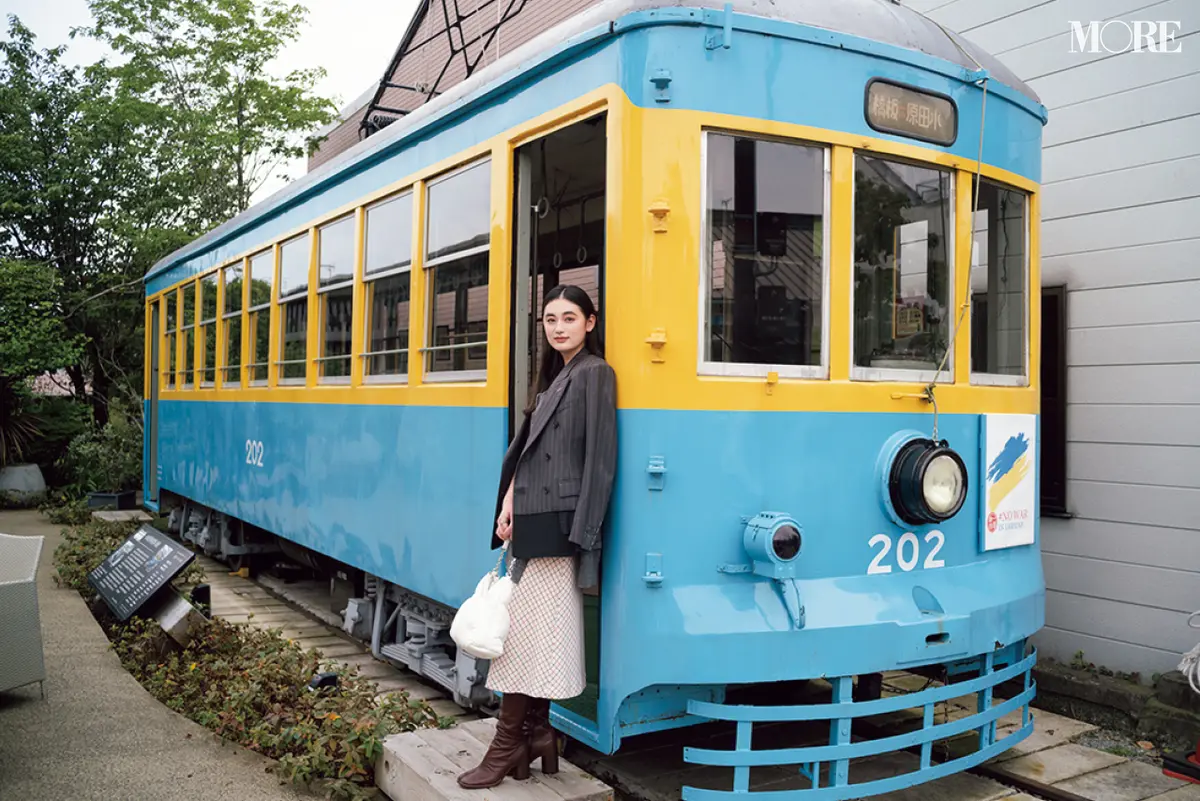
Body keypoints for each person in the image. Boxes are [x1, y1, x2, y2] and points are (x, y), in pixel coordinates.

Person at [457, 284, 617, 789]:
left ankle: (507, 746)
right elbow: (529, 455)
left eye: (569, 318)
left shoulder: (595, 374)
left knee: (519, 637)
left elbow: (600, 464)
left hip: (557, 531)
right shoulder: (555, 376)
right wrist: (508, 503)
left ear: (590, 323)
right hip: (533, 522)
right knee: (533, 634)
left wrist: (584, 538)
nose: (558, 327)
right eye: (550, 319)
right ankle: (538, 734)